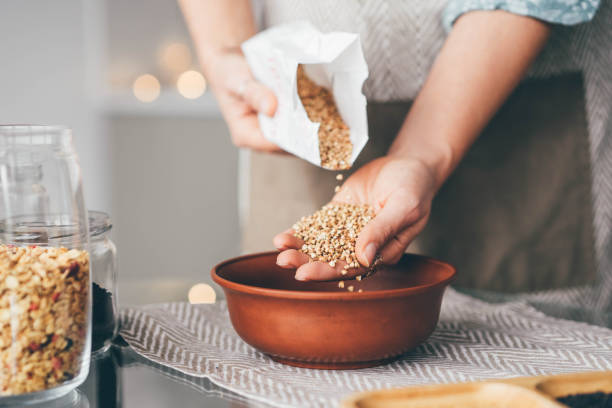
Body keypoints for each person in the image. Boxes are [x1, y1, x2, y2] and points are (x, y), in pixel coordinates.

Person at [179, 1, 611, 315]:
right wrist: (225, 53)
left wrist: (419, 154)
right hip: (297, 121)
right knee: (297, 321)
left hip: (515, 109)